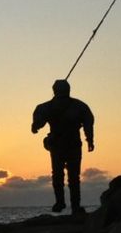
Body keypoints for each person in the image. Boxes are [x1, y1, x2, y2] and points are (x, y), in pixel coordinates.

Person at [32, 80, 95, 214]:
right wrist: (90, 139)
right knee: (73, 176)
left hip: (58, 144)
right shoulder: (79, 106)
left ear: (54, 91)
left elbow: (38, 123)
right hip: (72, 143)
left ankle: (61, 203)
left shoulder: (47, 107)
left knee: (58, 174)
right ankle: (75, 206)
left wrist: (35, 126)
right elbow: (88, 122)